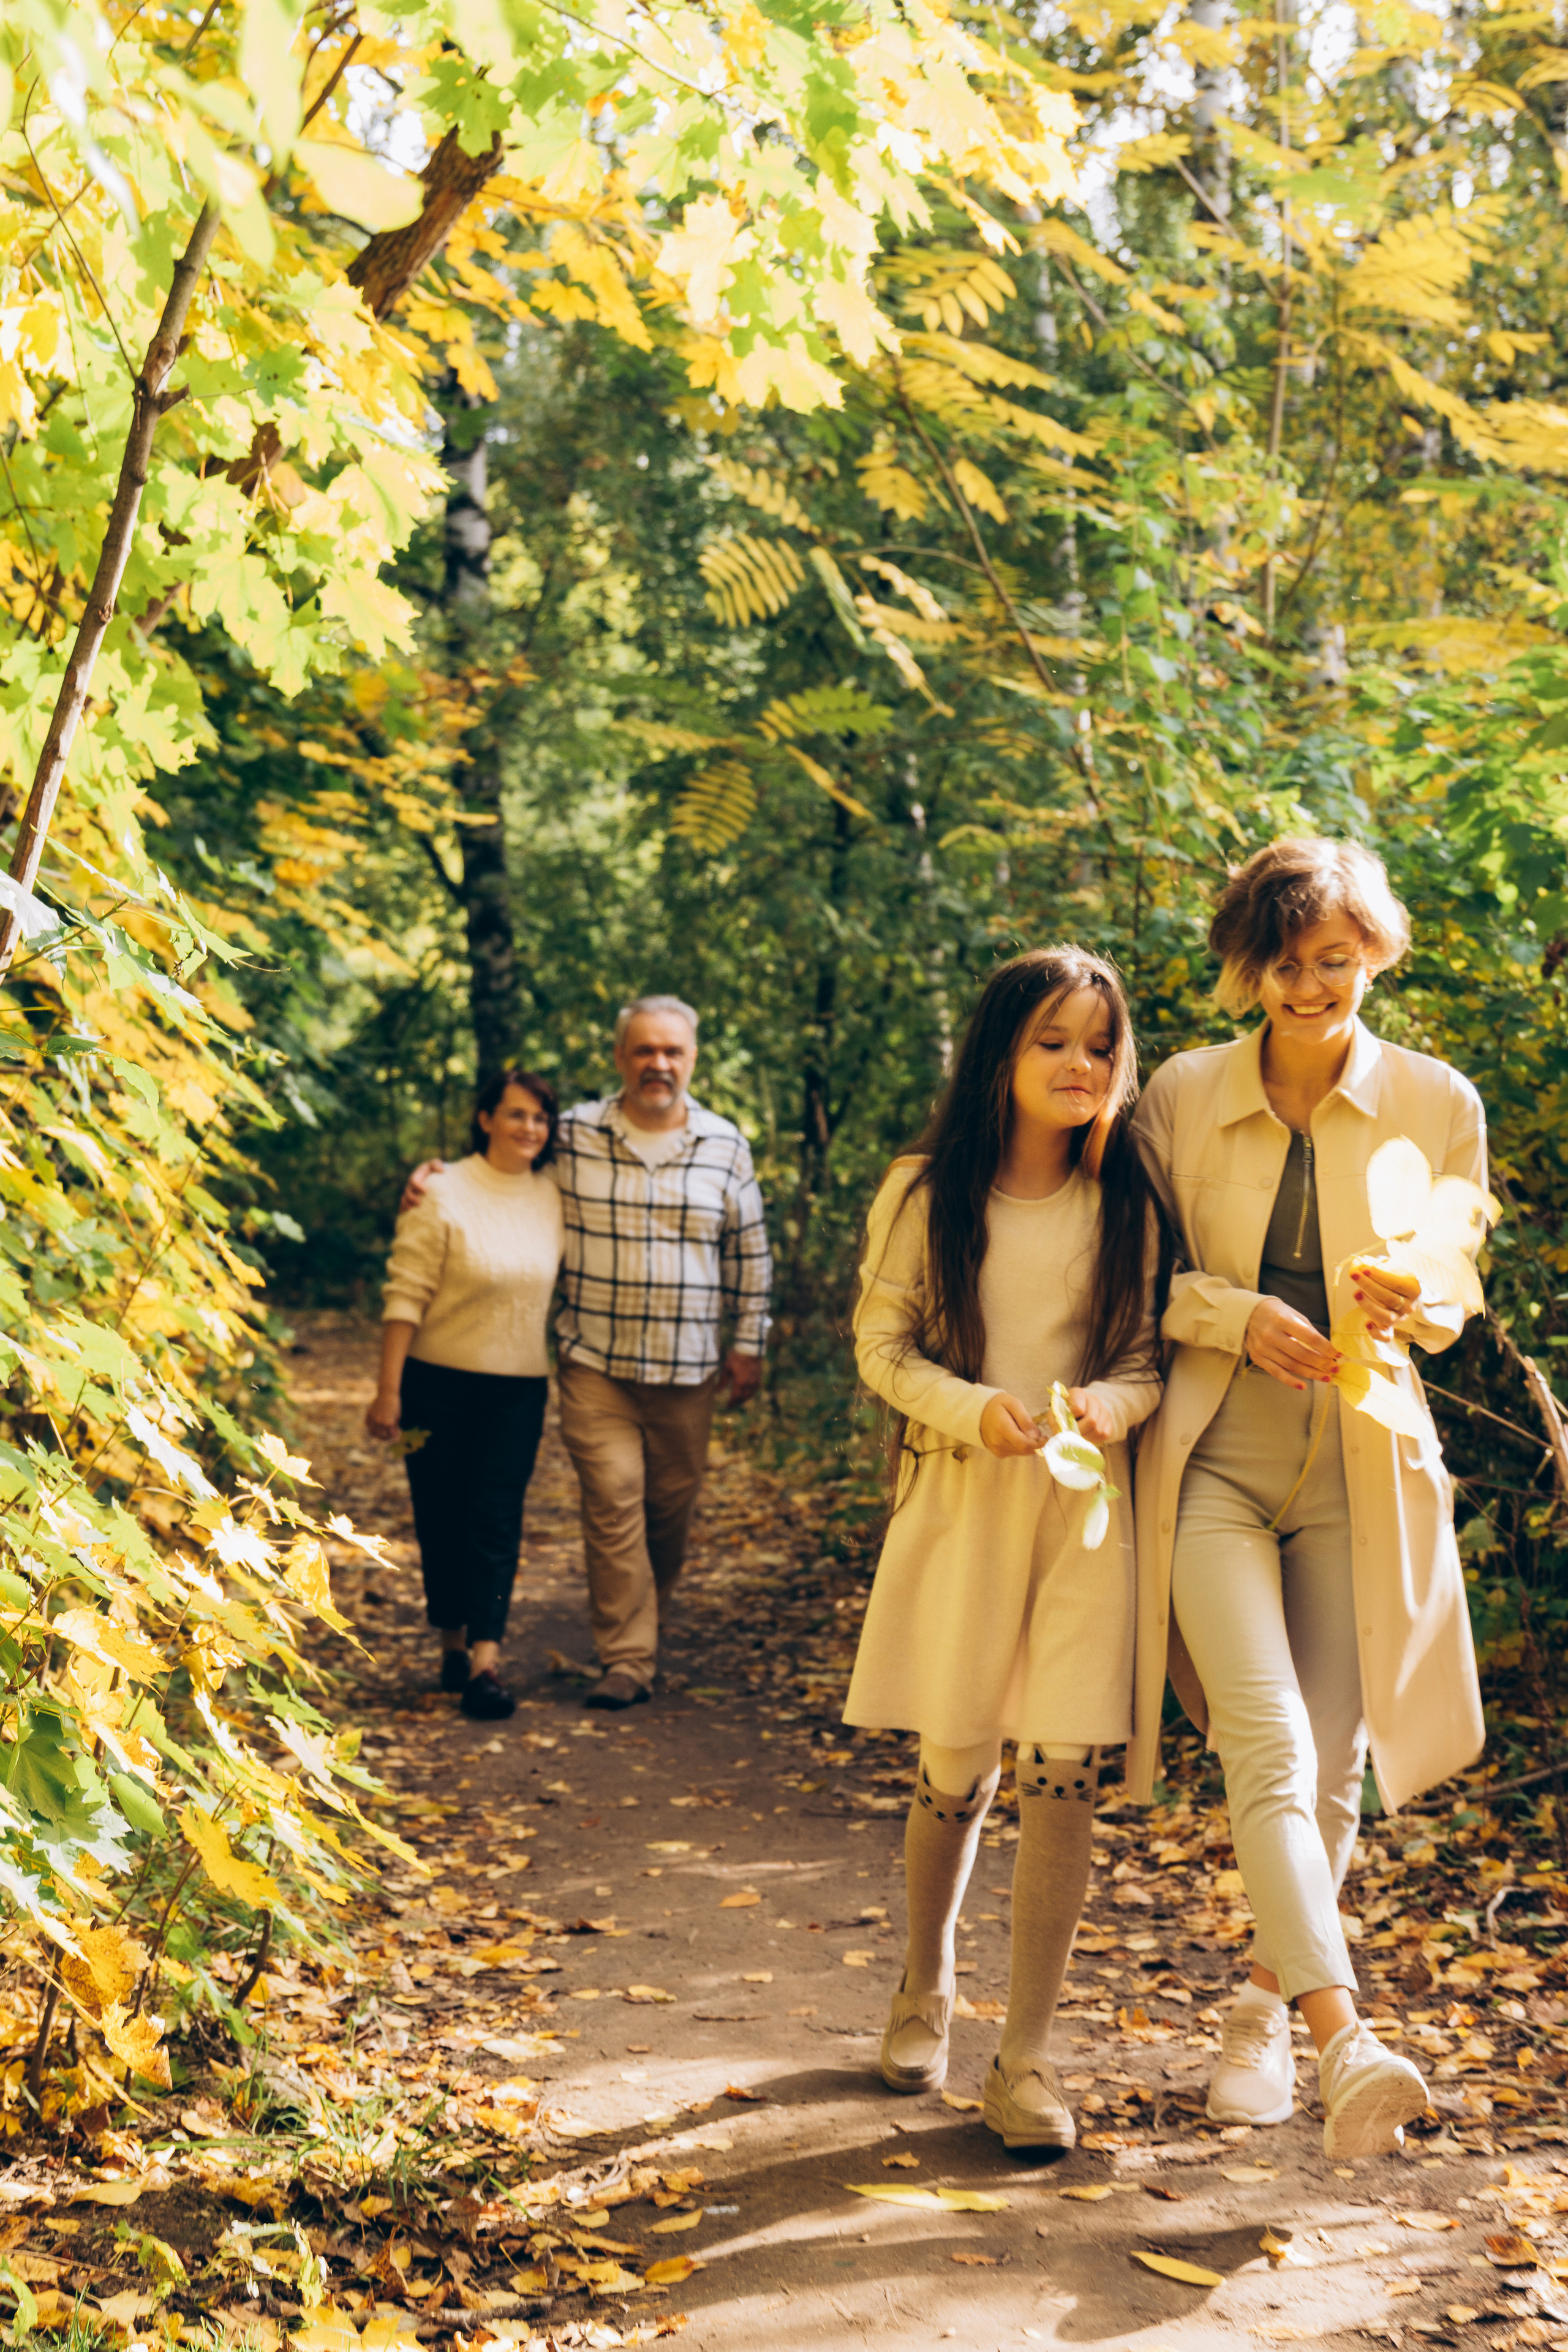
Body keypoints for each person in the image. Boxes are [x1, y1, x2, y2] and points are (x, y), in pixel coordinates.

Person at [1129, 837, 1488, 2158]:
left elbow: (1454, 1265)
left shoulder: (1436, 1101)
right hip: (1214, 1458)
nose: (1306, 987)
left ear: (1372, 957)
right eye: (1281, 964)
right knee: (1265, 1743)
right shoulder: (1173, 1095)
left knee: (1333, 1771)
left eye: (1332, 961)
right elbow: (1134, 1285)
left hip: (1359, 1466)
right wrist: (1230, 1315)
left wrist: (1418, 1298)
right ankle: (1348, 2040)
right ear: (1247, 969)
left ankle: (1259, 2014)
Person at [844, 948, 1168, 2151]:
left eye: (1098, 1044)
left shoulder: (1127, 1191)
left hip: (1087, 1517)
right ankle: (924, 1982)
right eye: (1052, 1041)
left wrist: (1111, 1410)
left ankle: (1024, 2056)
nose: (1080, 1065)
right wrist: (970, 1408)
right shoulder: (925, 1191)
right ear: (999, 1053)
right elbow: (879, 1347)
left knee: (1066, 1771)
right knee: (955, 1762)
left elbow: (1145, 1359)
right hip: (963, 1503)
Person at [404, 996, 772, 1711]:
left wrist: (747, 1346)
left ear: (692, 1059)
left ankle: (644, 1618)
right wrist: (430, 1176)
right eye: (643, 1051)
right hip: (593, 1362)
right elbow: (499, 1169)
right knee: (612, 1503)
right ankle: (627, 1659)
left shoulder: (725, 1145)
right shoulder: (572, 1134)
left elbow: (749, 1254)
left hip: (688, 1367)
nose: (657, 1064)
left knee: (669, 1513)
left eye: (672, 1052)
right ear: (620, 1058)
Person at [368, 1070, 564, 1720]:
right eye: (515, 1115)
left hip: (518, 1389)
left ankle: (486, 1660)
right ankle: (450, 1641)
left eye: (539, 1118)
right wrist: (387, 1391)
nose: (528, 1129)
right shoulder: (442, 1191)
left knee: (495, 1520)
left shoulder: (556, 1195)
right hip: (435, 1383)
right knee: (441, 1517)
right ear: (485, 1119)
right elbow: (406, 1293)